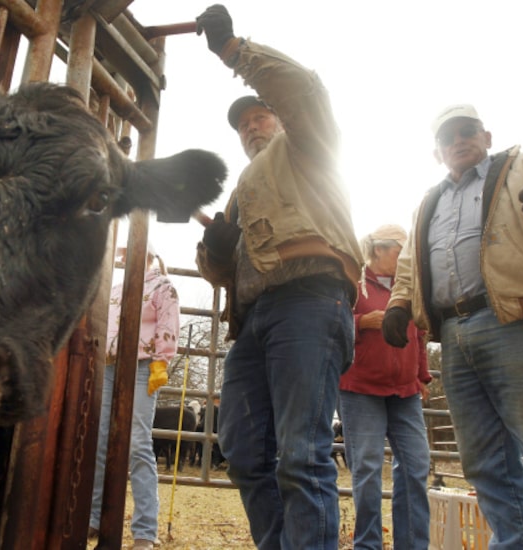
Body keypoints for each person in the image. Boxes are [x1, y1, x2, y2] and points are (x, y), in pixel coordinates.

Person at [382, 104, 523, 549]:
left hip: (518, 324)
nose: (459, 141)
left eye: (467, 131)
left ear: (486, 137)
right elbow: (411, 262)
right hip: (453, 337)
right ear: (438, 152)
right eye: (449, 138)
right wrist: (399, 304)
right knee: (486, 465)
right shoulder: (428, 201)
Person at [193, 5, 363, 548]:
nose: (249, 127)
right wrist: (216, 250)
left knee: (302, 453)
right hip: (255, 320)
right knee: (241, 450)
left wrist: (235, 51)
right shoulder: (244, 187)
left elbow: (304, 89)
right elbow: (228, 272)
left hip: (310, 300)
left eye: (258, 116)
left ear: (281, 116)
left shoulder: (309, 145)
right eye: (243, 125)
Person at [338, 224, 431, 550]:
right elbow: (333, 321)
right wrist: (361, 322)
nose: (407, 258)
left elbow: (419, 333)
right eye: (400, 251)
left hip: (405, 391)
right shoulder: (352, 281)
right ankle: (368, 544)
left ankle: (413, 545)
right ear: (378, 249)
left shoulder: (410, 287)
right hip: (360, 387)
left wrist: (422, 376)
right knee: (367, 468)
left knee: (417, 465)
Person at [89, 244, 180, 550]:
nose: (125, 259)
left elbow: (168, 325)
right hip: (110, 366)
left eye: (131, 254)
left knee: (137, 442)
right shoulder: (116, 289)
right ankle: (92, 517)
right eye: (123, 255)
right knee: (100, 437)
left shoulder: (163, 286)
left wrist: (160, 362)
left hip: (143, 366)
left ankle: (144, 530)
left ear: (149, 256)